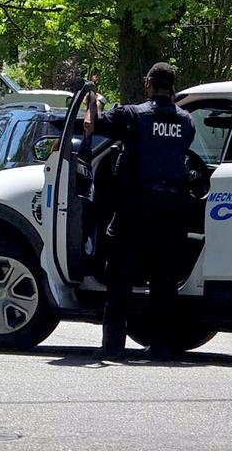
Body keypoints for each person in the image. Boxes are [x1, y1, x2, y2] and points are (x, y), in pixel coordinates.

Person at [84, 62, 195, 361]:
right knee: (164, 281)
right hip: (172, 211)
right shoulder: (187, 121)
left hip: (136, 210)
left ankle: (113, 347)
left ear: (148, 84)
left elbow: (90, 125)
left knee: (120, 277)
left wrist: (91, 100)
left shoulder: (132, 115)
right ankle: (162, 346)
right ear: (172, 87)